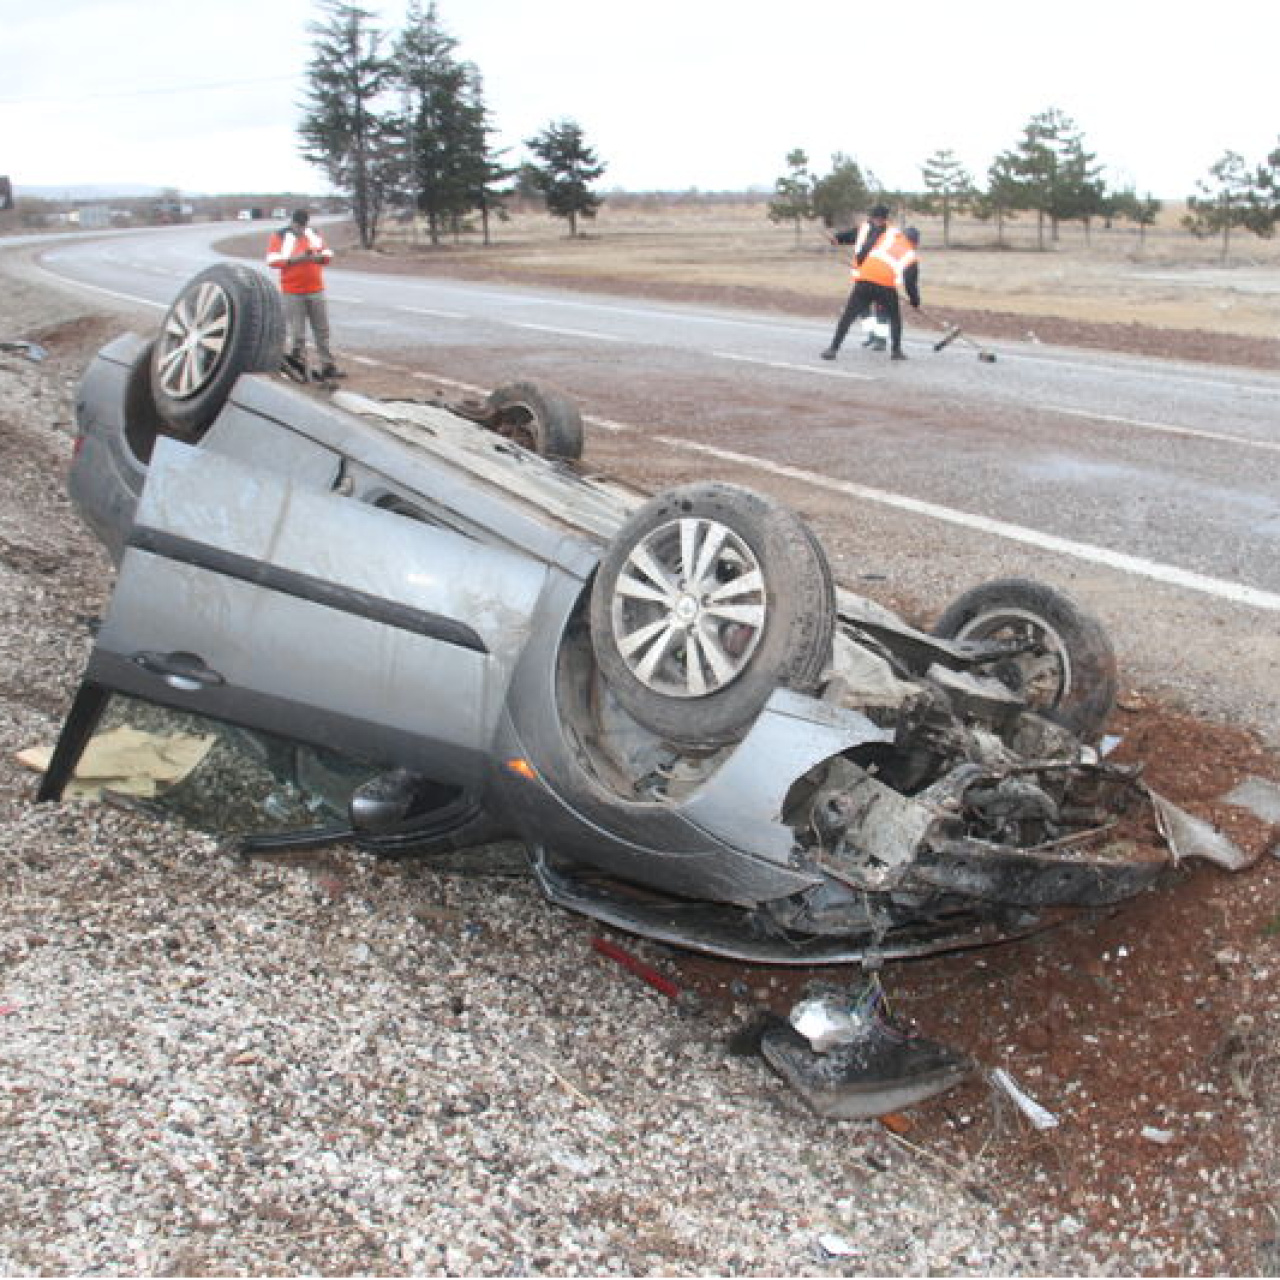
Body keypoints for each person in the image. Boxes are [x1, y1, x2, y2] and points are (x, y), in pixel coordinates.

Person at [820, 206, 921, 362]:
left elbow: (867, 245)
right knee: (895, 317)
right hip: (885, 285)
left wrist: (859, 260)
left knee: (848, 316)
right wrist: (915, 301)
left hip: (864, 279)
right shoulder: (910, 254)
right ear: (915, 243)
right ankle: (896, 351)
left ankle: (832, 349)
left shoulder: (889, 235)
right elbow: (910, 283)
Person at [266, 209, 344, 380]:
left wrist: (318, 257)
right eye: (298, 226)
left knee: (322, 330)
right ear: (293, 223)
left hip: (315, 288)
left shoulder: (312, 234)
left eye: (304, 226)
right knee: (298, 333)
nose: (301, 229)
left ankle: (327, 365)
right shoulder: (280, 236)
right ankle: (298, 366)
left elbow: (327, 253)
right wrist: (296, 259)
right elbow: (272, 260)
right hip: (292, 291)